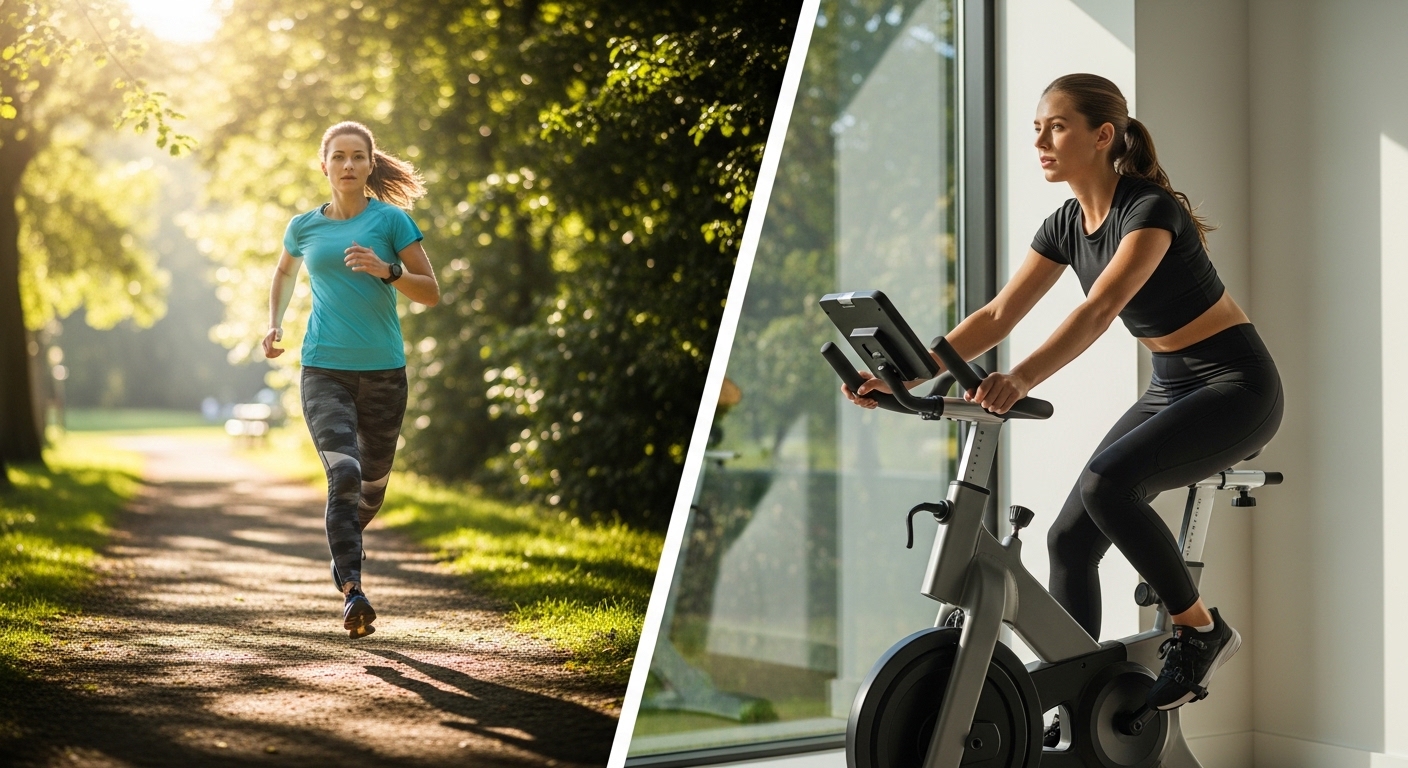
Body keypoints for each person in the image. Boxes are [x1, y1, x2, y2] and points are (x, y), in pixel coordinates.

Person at [847, 73, 1282, 713]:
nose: (1041, 141)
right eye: (1036, 129)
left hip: (1235, 385)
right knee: (1069, 541)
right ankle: (1079, 699)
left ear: (1103, 135)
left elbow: (1101, 309)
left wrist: (1019, 378)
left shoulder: (1149, 211)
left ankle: (1197, 629)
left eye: (1056, 127)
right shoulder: (1064, 223)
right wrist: (910, 374)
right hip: (1171, 385)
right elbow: (997, 316)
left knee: (1109, 485)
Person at [263, 121, 441, 638]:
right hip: (324, 369)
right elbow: (284, 273)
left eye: (356, 157)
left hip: (384, 372)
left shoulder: (392, 221)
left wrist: (387, 271)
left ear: (369, 164)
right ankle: (353, 591)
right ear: (324, 165)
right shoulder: (303, 226)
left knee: (370, 488)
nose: (347, 165)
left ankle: (345, 542)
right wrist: (273, 321)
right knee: (343, 474)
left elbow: (430, 292)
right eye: (337, 156)